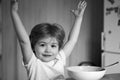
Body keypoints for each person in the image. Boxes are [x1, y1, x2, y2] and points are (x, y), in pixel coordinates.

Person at [10, 0, 87, 80]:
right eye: (42, 45)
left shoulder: (59, 58)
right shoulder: (32, 62)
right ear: (33, 47)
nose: (48, 50)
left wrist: (78, 18)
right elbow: (24, 41)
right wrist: (14, 12)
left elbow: (72, 40)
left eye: (53, 46)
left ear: (58, 48)